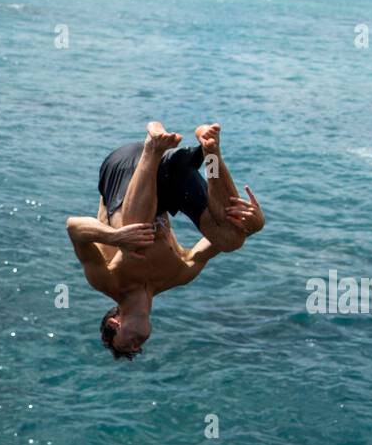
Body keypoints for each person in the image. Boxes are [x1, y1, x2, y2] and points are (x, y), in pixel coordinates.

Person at [67, 121, 265, 359]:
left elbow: (74, 227)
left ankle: (152, 147)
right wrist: (253, 227)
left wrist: (116, 237)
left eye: (125, 346)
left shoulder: (107, 280)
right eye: (136, 350)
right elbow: (215, 246)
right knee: (231, 239)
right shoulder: (178, 276)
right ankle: (212, 152)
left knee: (135, 237)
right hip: (169, 177)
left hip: (124, 167)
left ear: (114, 323)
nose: (137, 347)